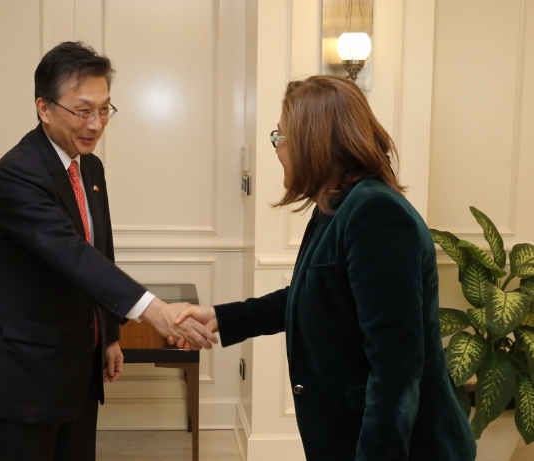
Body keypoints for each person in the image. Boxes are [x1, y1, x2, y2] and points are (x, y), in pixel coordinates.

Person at [173, 75, 477, 460]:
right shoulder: (337, 207)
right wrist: (221, 317)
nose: (277, 148)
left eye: (280, 136)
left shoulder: (376, 214)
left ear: (311, 141)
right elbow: (314, 295)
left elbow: (396, 371)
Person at [0, 41, 216, 461]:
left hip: (77, 369)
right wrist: (154, 310)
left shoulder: (88, 166)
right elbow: (71, 256)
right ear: (44, 108)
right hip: (23, 377)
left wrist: (109, 335)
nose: (95, 124)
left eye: (104, 110)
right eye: (83, 111)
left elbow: (99, 251)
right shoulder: (18, 172)